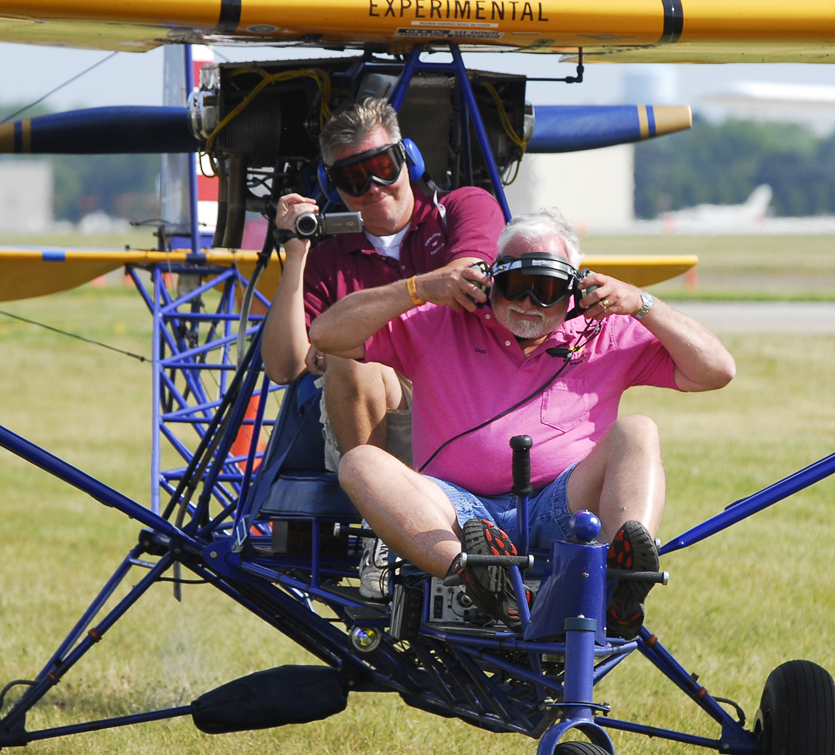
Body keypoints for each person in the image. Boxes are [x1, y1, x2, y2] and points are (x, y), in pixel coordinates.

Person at [308, 209, 735, 637]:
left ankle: (621, 581)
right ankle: (479, 578)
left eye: (547, 289)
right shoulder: (441, 318)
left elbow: (716, 370)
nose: (529, 302)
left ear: (574, 291)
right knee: (361, 462)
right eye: (516, 286)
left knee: (638, 429)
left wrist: (642, 304)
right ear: (491, 281)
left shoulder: (604, 329)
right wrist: (419, 288)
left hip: (564, 501)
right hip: (457, 512)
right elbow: (326, 335)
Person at [263, 97, 505, 466]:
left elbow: (467, 280)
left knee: (344, 348)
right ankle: (377, 501)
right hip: (385, 416)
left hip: (467, 402)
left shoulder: (463, 208)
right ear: (334, 188)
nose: (374, 187)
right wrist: (295, 252)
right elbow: (284, 367)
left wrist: (346, 328)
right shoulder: (327, 260)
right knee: (350, 360)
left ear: (409, 160)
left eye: (383, 167)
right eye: (354, 178)